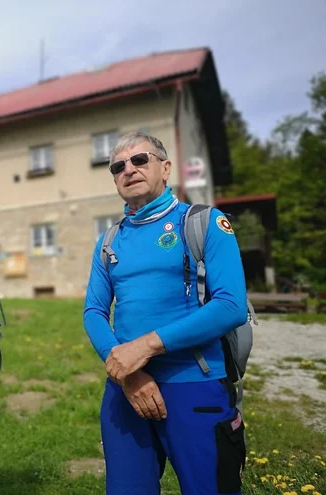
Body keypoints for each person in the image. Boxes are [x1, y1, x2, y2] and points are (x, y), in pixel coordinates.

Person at [83, 132, 249, 494]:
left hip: (195, 385)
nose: (129, 169)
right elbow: (94, 311)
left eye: (140, 160)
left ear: (166, 168)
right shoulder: (109, 241)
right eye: (118, 166)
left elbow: (231, 305)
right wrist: (127, 373)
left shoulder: (205, 222)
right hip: (126, 389)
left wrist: (145, 347)